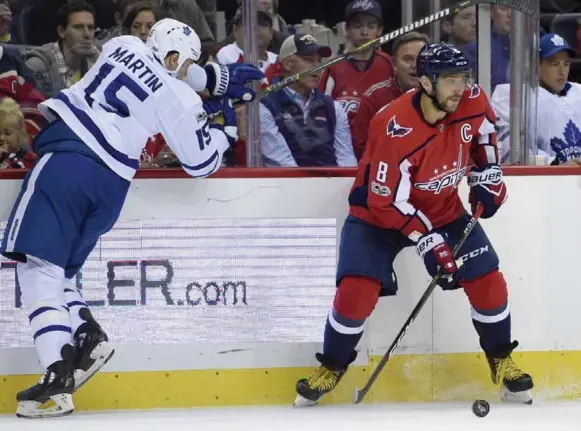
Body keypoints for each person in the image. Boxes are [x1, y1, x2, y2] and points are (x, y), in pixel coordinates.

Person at [0, 17, 263, 419]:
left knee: (38, 270)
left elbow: (170, 69)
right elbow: (202, 162)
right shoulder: (182, 100)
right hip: (111, 188)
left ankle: (57, 373)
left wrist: (210, 81)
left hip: (70, 160)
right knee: (57, 274)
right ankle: (85, 335)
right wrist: (221, 116)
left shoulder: (122, 44)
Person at [294, 43, 534, 407]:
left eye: (462, 78)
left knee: (488, 280)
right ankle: (332, 366)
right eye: (449, 80)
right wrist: (428, 242)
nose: (460, 88)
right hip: (378, 217)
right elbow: (385, 200)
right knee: (355, 293)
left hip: (444, 210)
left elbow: (483, 134)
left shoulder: (470, 98)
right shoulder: (392, 127)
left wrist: (486, 173)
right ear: (425, 82)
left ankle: (501, 360)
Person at [491, 33, 581, 165]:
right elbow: (511, 150)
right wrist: (554, 164)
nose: (562, 71)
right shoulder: (512, 96)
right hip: (542, 180)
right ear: (536, 66)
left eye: (566, 64)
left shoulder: (578, 92)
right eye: (554, 64)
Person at [350, 31, 429, 159]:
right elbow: (362, 147)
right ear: (394, 65)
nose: (415, 65)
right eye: (407, 59)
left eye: (422, 59)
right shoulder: (374, 97)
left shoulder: (443, 97)